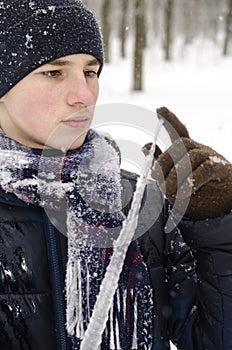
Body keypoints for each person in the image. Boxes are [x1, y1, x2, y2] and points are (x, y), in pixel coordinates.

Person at [0, 1, 231, 350]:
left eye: (90, 72)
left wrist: (216, 226)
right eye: (53, 72)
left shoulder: (140, 206)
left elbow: (213, 339)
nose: (84, 95)